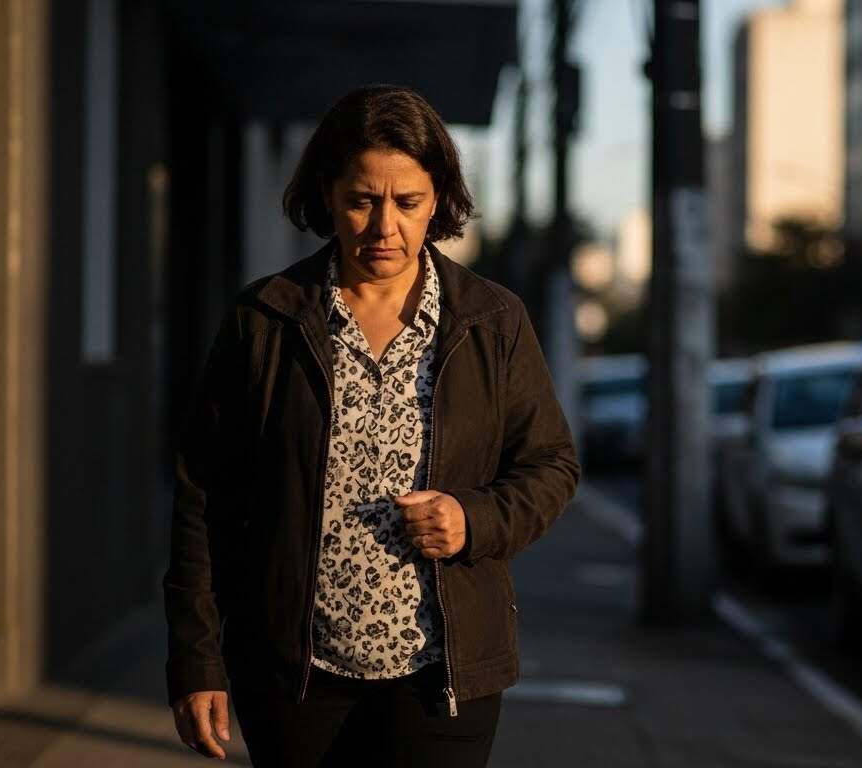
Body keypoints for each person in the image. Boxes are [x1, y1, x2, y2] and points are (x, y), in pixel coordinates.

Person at [163, 84, 580, 766]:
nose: (383, 227)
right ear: (327, 194)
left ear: (439, 200)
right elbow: (205, 498)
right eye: (362, 200)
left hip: (441, 681)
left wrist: (474, 519)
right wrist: (196, 661)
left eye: (407, 202)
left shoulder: (491, 320)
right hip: (293, 677)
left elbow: (551, 465)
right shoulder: (265, 318)